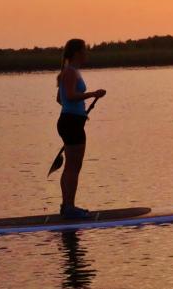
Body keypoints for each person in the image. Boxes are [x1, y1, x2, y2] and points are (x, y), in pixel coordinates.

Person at [56, 39, 106, 218]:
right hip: (71, 123)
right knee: (73, 167)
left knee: (71, 166)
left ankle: (67, 206)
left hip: (71, 121)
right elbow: (68, 96)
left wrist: (79, 112)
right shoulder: (70, 72)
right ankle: (68, 208)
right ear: (77, 52)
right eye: (85, 50)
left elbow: (60, 99)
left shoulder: (70, 71)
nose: (87, 53)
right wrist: (93, 94)